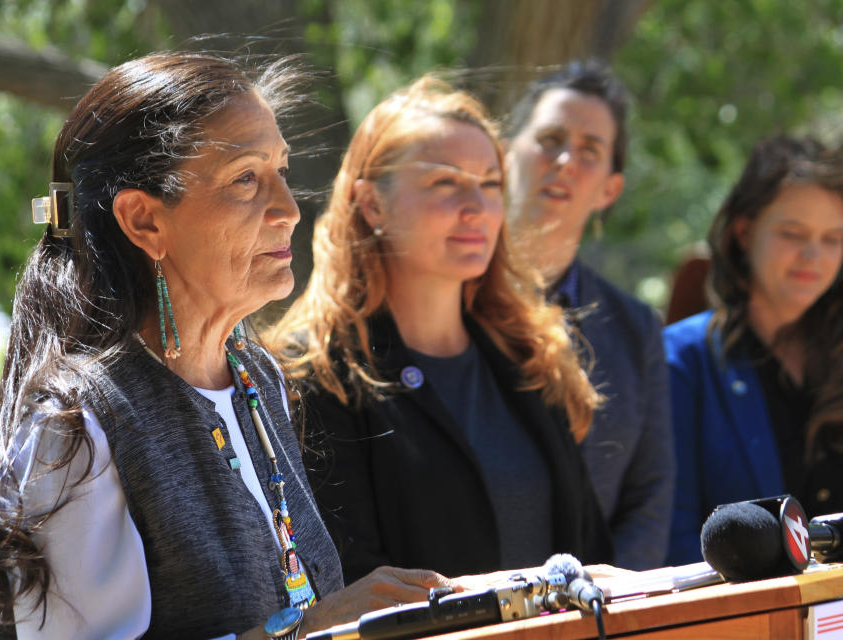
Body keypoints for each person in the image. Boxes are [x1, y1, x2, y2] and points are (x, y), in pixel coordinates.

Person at [0, 51, 453, 640]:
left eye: (282, 172)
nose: (289, 210)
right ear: (144, 222)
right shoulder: (77, 429)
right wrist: (307, 633)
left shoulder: (256, 380)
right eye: (245, 178)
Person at [267, 76, 613, 585]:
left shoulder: (532, 355)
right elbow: (346, 586)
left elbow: (591, 553)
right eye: (445, 183)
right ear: (372, 204)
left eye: (490, 183)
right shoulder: (313, 375)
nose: (476, 206)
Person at [502, 60, 674, 570]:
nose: (564, 160)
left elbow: (650, 498)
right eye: (549, 137)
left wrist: (607, 607)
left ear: (609, 189)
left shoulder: (636, 329)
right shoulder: (442, 299)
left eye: (589, 151)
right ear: (507, 152)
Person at [663, 135, 843, 564]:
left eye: (833, 238)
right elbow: (671, 539)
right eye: (793, 233)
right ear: (744, 232)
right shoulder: (682, 360)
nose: (812, 255)